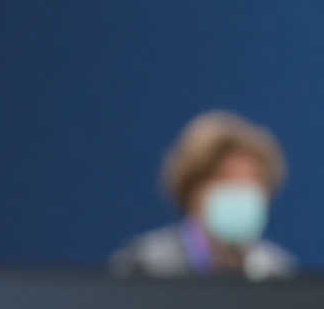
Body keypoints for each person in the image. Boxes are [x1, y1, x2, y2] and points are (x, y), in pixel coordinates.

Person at [111, 111, 294, 279]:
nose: (240, 191)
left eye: (252, 181)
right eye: (226, 179)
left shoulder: (277, 272)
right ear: (193, 189)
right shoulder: (144, 266)